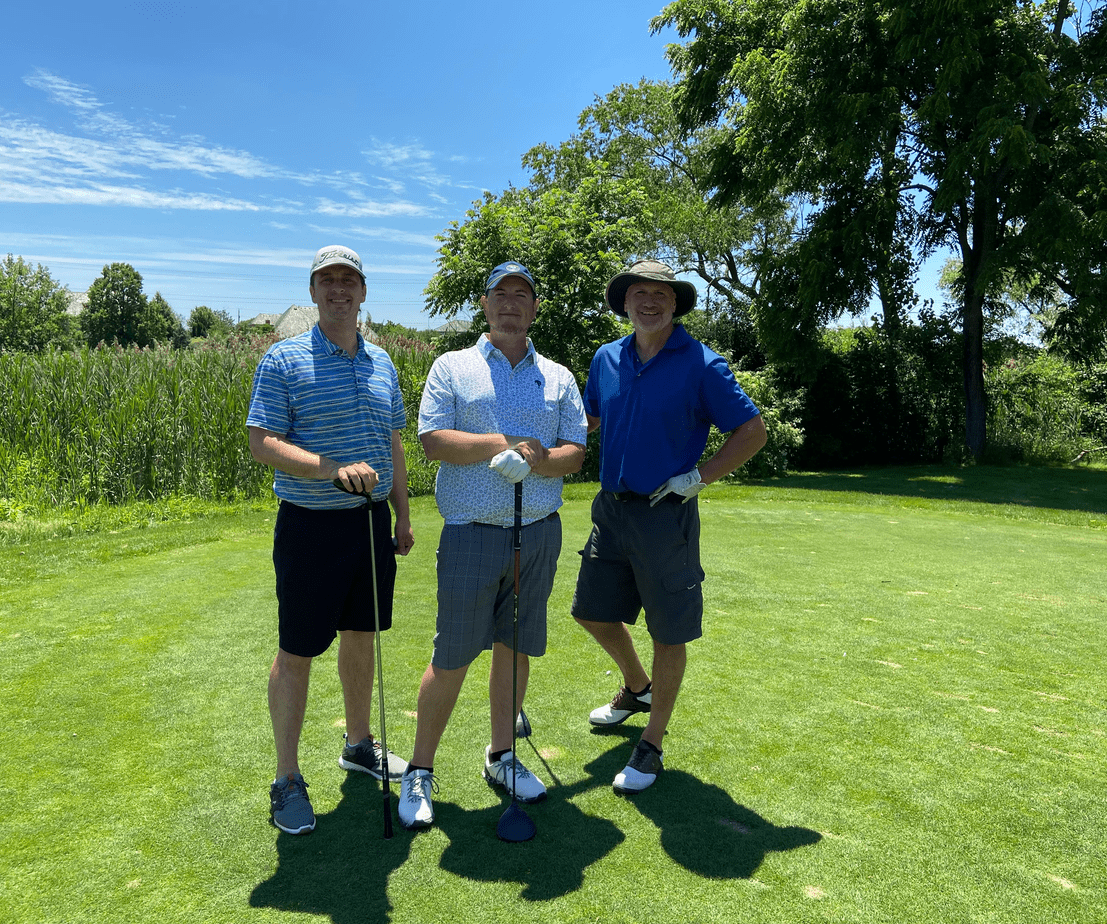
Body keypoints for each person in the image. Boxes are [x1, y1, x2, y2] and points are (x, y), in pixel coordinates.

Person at [397, 261, 587, 830]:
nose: (510, 302)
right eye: (500, 293)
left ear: (534, 308)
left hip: (539, 532)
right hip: (471, 533)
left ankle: (502, 755)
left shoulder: (557, 376)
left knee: (516, 647)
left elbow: (575, 452)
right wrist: (502, 444)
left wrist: (539, 458)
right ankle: (419, 769)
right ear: (484, 304)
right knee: (452, 656)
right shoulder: (452, 366)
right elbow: (433, 441)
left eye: (521, 294)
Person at [571, 259, 767, 794]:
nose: (650, 302)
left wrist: (699, 478)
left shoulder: (702, 364)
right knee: (590, 611)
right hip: (611, 509)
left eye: (661, 294)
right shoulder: (606, 358)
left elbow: (752, 431)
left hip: (665, 512)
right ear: (625, 303)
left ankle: (652, 743)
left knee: (668, 630)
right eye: (640, 293)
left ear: (676, 303)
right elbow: (589, 420)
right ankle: (638, 687)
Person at [246, 244, 415, 835]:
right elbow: (262, 442)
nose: (339, 290)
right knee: (297, 650)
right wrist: (330, 468)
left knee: (362, 636)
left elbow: (393, 444)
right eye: (328, 281)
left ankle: (358, 743)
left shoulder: (383, 362)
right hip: (310, 525)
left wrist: (402, 514)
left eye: (349, 280)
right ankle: (286, 778)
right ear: (314, 291)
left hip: (369, 524)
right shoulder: (284, 359)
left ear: (363, 292)